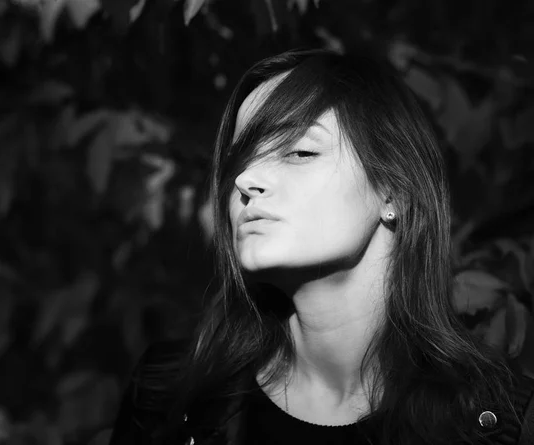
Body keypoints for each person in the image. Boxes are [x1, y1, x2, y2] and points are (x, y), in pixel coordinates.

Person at [107, 49, 534, 445]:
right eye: (240, 159)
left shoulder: (498, 422)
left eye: (298, 151)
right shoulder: (171, 400)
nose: (244, 180)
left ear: (394, 192)